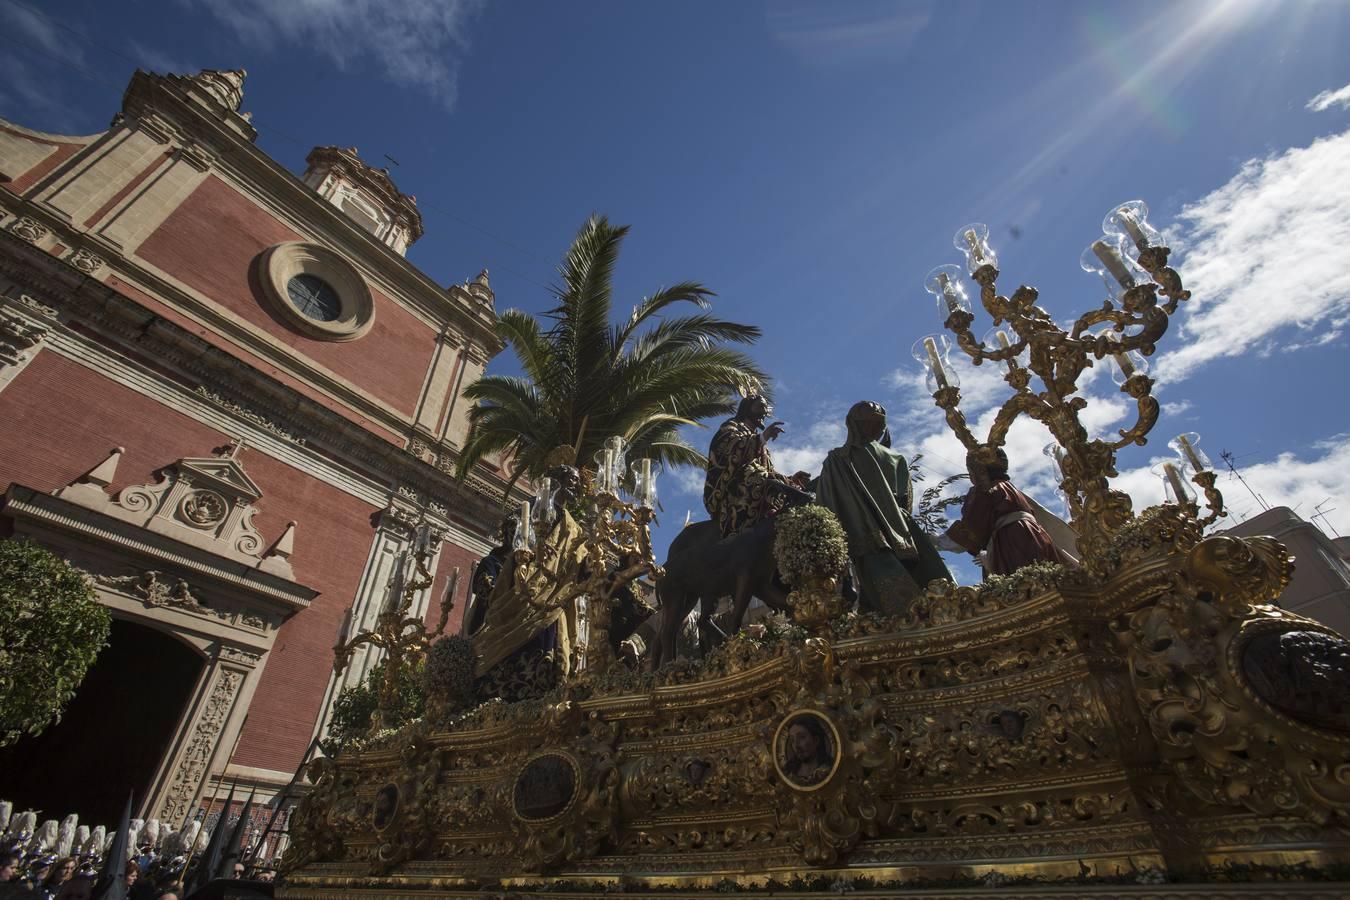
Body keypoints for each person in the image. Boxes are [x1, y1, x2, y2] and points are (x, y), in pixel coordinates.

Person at [814, 401, 952, 614]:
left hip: (867, 535)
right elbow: (905, 500)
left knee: (895, 608)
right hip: (901, 531)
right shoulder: (892, 458)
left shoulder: (837, 460)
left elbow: (824, 507)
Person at [939, 448, 1078, 577]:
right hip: (1036, 536)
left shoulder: (985, 490)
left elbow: (970, 528)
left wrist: (938, 542)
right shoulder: (1012, 490)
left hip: (1012, 539)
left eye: (971, 471)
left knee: (1022, 584)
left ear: (980, 471)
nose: (971, 476)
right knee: (1045, 577)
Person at [704, 395, 807, 538]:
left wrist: (791, 479)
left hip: (758, 480)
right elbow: (727, 450)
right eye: (760, 406)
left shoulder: (760, 441)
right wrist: (762, 438)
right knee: (763, 480)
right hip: (736, 489)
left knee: (780, 485)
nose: (765, 412)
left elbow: (769, 471)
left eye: (766, 408)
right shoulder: (731, 427)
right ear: (746, 409)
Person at [464, 514, 519, 636]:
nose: (514, 536)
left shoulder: (524, 565)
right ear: (505, 534)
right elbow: (487, 593)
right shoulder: (491, 561)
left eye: (517, 533)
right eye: (511, 532)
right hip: (490, 621)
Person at [783, 716, 833, 786]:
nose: (796, 745)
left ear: (816, 740)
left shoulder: (829, 768)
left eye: (801, 737)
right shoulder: (788, 770)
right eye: (792, 740)